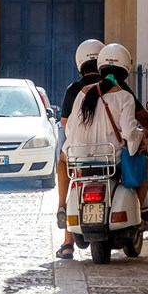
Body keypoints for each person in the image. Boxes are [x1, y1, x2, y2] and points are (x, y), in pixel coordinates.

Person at [64, 43, 148, 238]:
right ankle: (138, 211)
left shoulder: (83, 93)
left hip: (79, 160)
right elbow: (129, 133)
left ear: (101, 67)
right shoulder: (124, 96)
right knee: (147, 162)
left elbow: (69, 129)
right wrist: (141, 136)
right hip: (111, 160)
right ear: (126, 69)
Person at [55, 39, 103, 259]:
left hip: (79, 152)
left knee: (65, 164)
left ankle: (66, 239)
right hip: (109, 152)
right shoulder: (115, 85)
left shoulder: (74, 89)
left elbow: (65, 124)